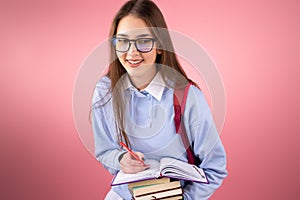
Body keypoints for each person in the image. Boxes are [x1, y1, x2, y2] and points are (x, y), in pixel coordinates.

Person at [91, 0, 227, 199]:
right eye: (122, 41)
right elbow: (104, 151)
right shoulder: (105, 91)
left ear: (160, 45)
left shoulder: (188, 98)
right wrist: (120, 159)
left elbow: (216, 169)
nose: (131, 52)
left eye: (143, 41)